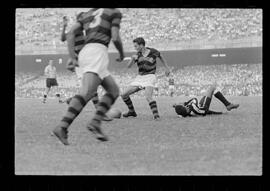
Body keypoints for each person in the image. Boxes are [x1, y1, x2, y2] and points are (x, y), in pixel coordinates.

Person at [53, 8, 125, 145]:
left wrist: (73, 57)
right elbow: (115, 37)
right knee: (87, 92)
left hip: (88, 52)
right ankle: (62, 126)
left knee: (114, 90)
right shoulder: (114, 12)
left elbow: (70, 35)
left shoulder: (87, 14)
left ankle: (96, 122)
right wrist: (122, 53)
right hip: (97, 53)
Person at [60, 13, 112, 121]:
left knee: (89, 89)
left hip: (87, 63)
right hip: (81, 64)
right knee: (91, 89)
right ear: (79, 19)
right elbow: (63, 38)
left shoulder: (85, 31)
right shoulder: (76, 29)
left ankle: (73, 100)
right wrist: (64, 26)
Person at [121, 37, 170, 120]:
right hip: (140, 78)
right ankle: (132, 112)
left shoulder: (153, 52)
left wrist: (167, 68)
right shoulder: (137, 55)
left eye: (136, 46)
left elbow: (161, 56)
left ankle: (156, 116)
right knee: (124, 95)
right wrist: (132, 59)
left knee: (148, 97)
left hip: (150, 76)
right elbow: (128, 66)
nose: (135, 48)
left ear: (141, 45)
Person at [173, 84, 239, 117]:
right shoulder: (192, 107)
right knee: (212, 88)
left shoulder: (187, 114)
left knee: (209, 91)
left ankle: (228, 105)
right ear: (185, 107)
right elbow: (194, 99)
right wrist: (183, 104)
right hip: (203, 106)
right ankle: (228, 104)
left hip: (202, 109)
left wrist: (220, 113)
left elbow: (207, 112)